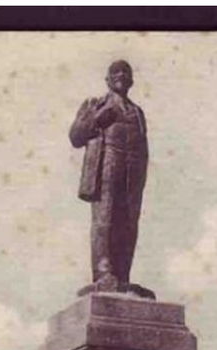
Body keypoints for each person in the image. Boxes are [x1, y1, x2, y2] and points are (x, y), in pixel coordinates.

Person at [69, 60, 148, 295]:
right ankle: (104, 272)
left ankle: (122, 275)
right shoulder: (96, 104)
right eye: (115, 72)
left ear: (132, 80)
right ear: (107, 79)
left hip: (133, 167)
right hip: (107, 162)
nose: (121, 75)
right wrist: (97, 119)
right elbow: (75, 137)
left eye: (126, 72)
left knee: (128, 221)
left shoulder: (137, 112)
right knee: (105, 219)